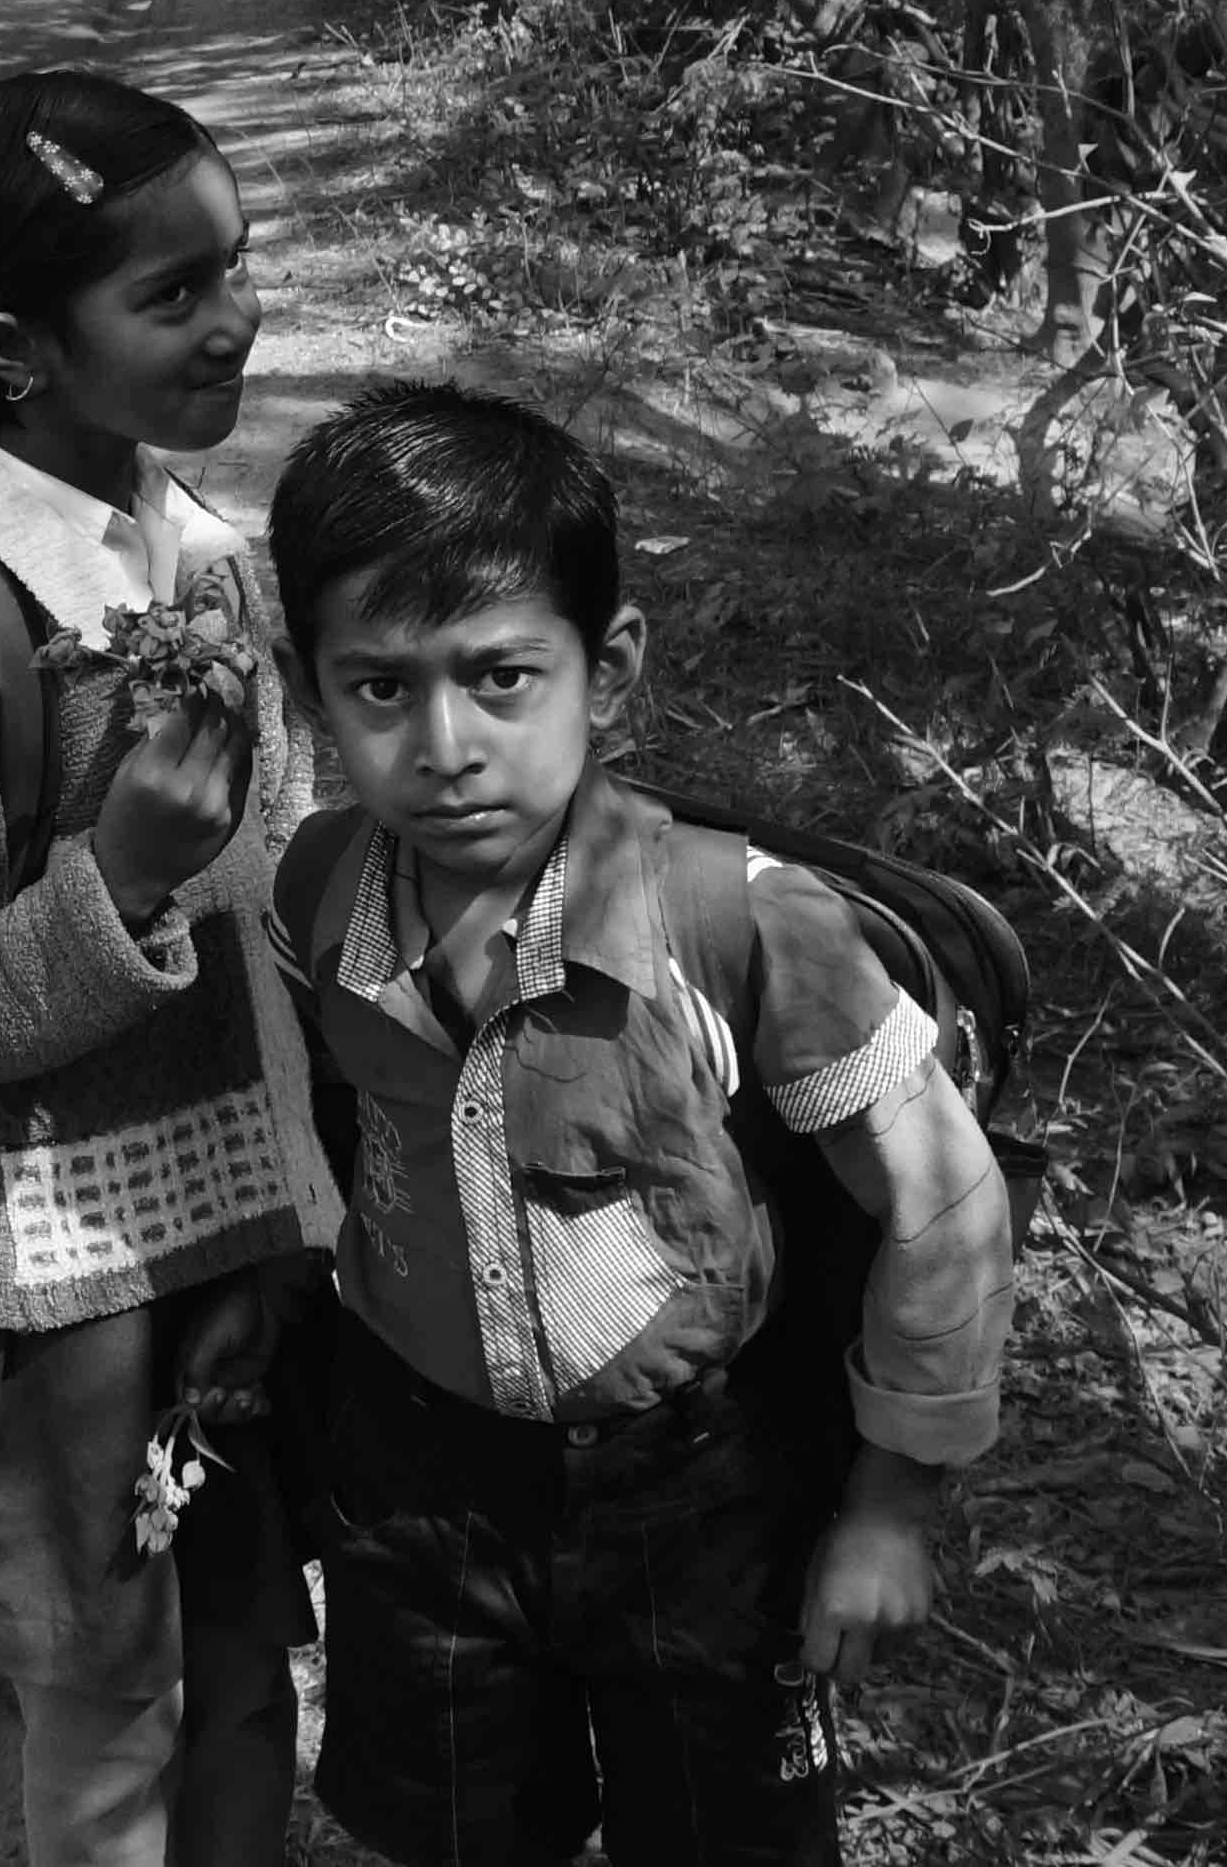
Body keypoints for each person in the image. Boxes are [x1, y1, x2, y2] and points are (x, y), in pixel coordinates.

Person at [257, 383, 1017, 1867]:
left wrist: (887, 1508)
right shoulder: (316, 894)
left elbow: (942, 1202)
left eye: (500, 678)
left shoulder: (742, 928)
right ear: (307, 693)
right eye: (380, 689)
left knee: (719, 1833)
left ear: (605, 673)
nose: (446, 744)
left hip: (700, 1495)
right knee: (462, 1830)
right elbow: (352, 1139)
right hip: (427, 1489)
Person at [0, 67, 335, 1867]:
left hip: (252, 1226)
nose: (234, 319)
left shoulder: (193, 549)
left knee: (255, 1663)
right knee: (109, 1713)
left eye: (238, 266)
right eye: (171, 295)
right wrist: (113, 887)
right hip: (63, 1300)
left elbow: (280, 872)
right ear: (15, 351)